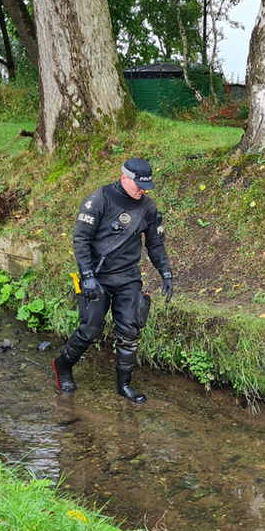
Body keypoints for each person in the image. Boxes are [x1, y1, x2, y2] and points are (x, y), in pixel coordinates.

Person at [52, 157, 173, 403]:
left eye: (146, 186)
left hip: (128, 278)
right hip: (97, 278)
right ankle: (62, 366)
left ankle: (124, 386)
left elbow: (155, 244)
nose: (142, 190)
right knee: (90, 330)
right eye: (138, 185)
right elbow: (81, 240)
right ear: (124, 178)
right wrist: (86, 276)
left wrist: (166, 273)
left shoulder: (147, 208)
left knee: (130, 331)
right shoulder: (99, 200)